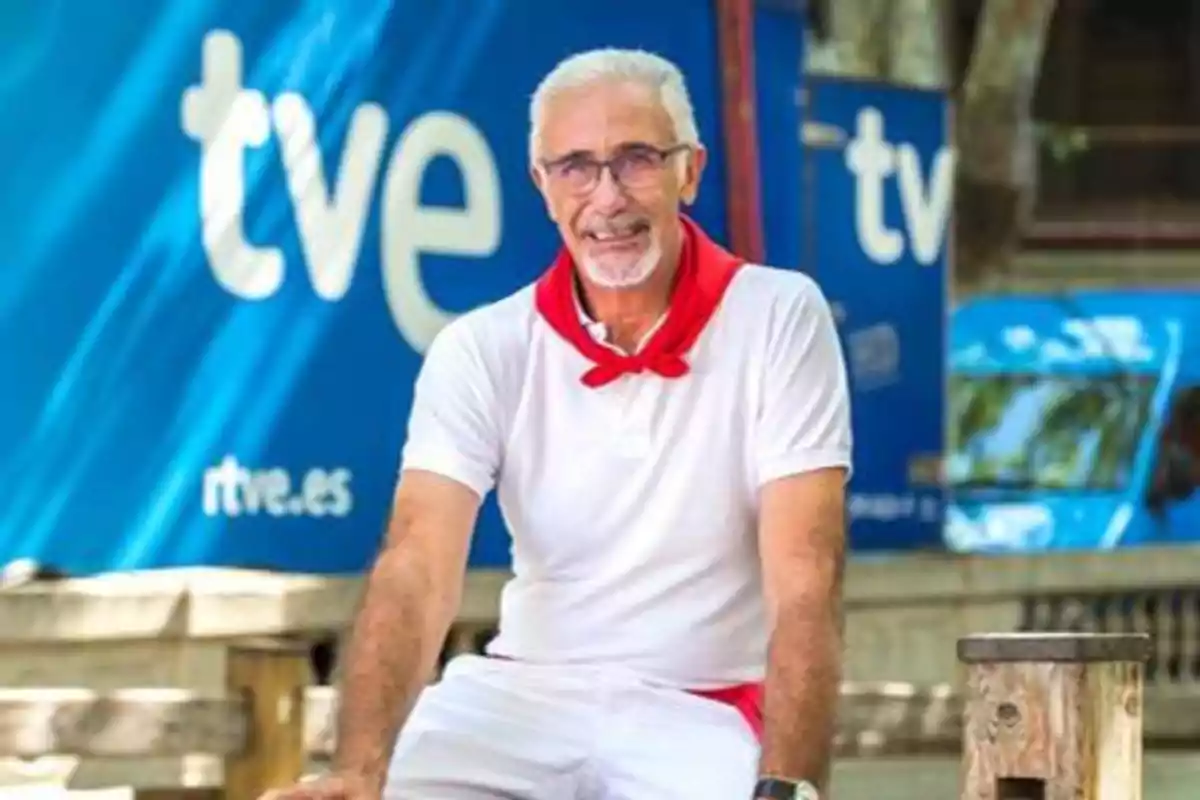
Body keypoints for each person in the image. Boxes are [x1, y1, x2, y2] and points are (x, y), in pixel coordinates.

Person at [266, 47, 852, 800]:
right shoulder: (481, 346)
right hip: (519, 699)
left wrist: (788, 785)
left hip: (699, 712)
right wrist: (358, 769)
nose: (606, 197)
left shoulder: (777, 313)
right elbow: (417, 562)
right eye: (575, 166)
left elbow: (807, 576)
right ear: (542, 186)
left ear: (691, 171)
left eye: (637, 158)